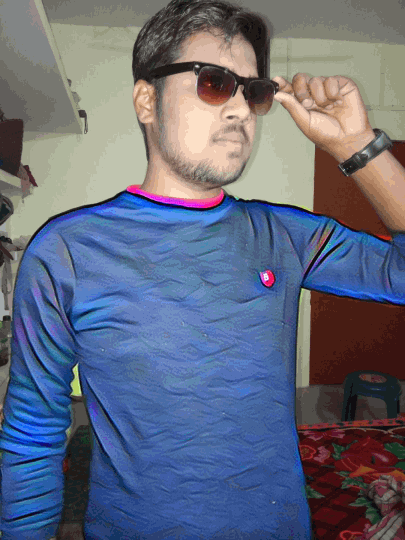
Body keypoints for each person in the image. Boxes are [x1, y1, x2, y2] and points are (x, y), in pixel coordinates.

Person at [1, 0, 405, 539]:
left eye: (253, 91)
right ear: (147, 99)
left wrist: (357, 145)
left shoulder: (285, 236)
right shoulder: (66, 252)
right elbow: (33, 434)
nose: (240, 109)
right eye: (214, 82)